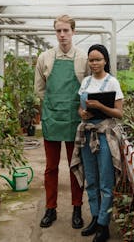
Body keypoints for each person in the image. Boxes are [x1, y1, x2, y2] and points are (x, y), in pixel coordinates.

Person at [34, 14, 90, 229]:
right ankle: (51, 209)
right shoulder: (45, 57)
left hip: (75, 119)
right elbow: (39, 89)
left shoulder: (83, 58)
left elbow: (86, 88)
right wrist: (51, 107)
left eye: (66, 30)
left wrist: (81, 108)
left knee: (76, 166)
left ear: (73, 32)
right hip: (52, 118)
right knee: (51, 167)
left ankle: (77, 208)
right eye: (58, 30)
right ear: (55, 32)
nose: (62, 34)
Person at [71, 44, 124, 242]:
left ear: (105, 61)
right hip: (86, 134)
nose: (94, 63)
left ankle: (104, 224)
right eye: (91, 60)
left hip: (104, 135)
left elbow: (119, 113)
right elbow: (80, 107)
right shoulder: (85, 82)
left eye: (98, 59)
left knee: (106, 181)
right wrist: (82, 113)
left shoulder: (112, 83)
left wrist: (101, 106)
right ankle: (94, 217)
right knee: (91, 179)